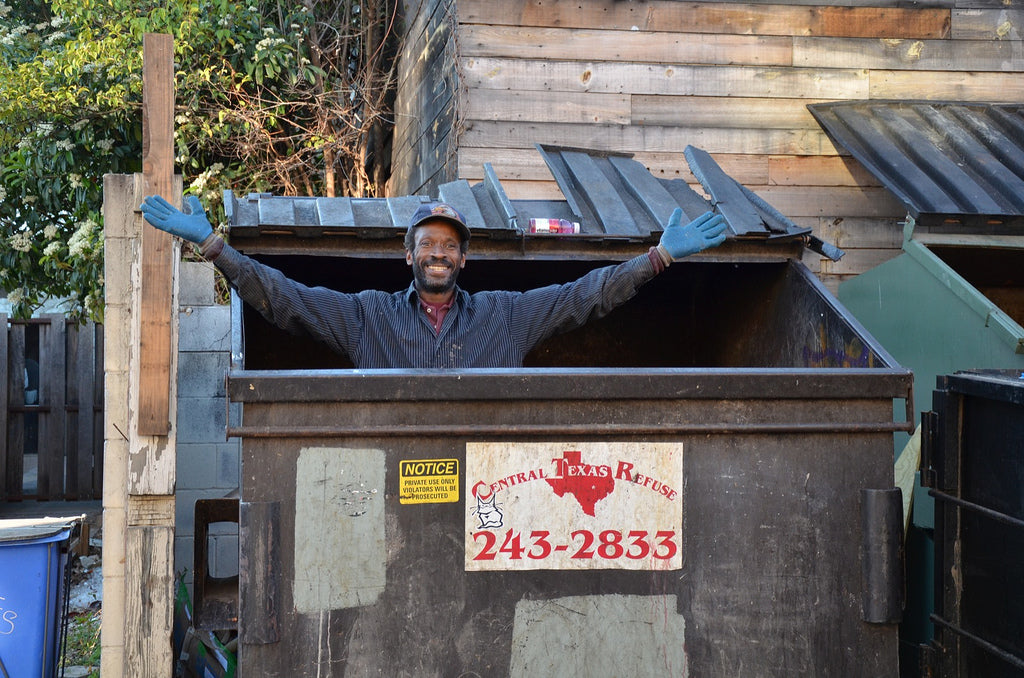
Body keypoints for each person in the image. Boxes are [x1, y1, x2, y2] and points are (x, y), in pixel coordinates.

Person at [140, 195, 726, 368]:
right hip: (395, 484)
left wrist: (657, 259)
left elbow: (584, 298)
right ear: (409, 256)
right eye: (427, 246)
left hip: (490, 492)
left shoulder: (506, 314)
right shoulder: (367, 316)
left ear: (464, 259)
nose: (438, 254)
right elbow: (285, 300)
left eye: (449, 246)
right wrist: (217, 248)